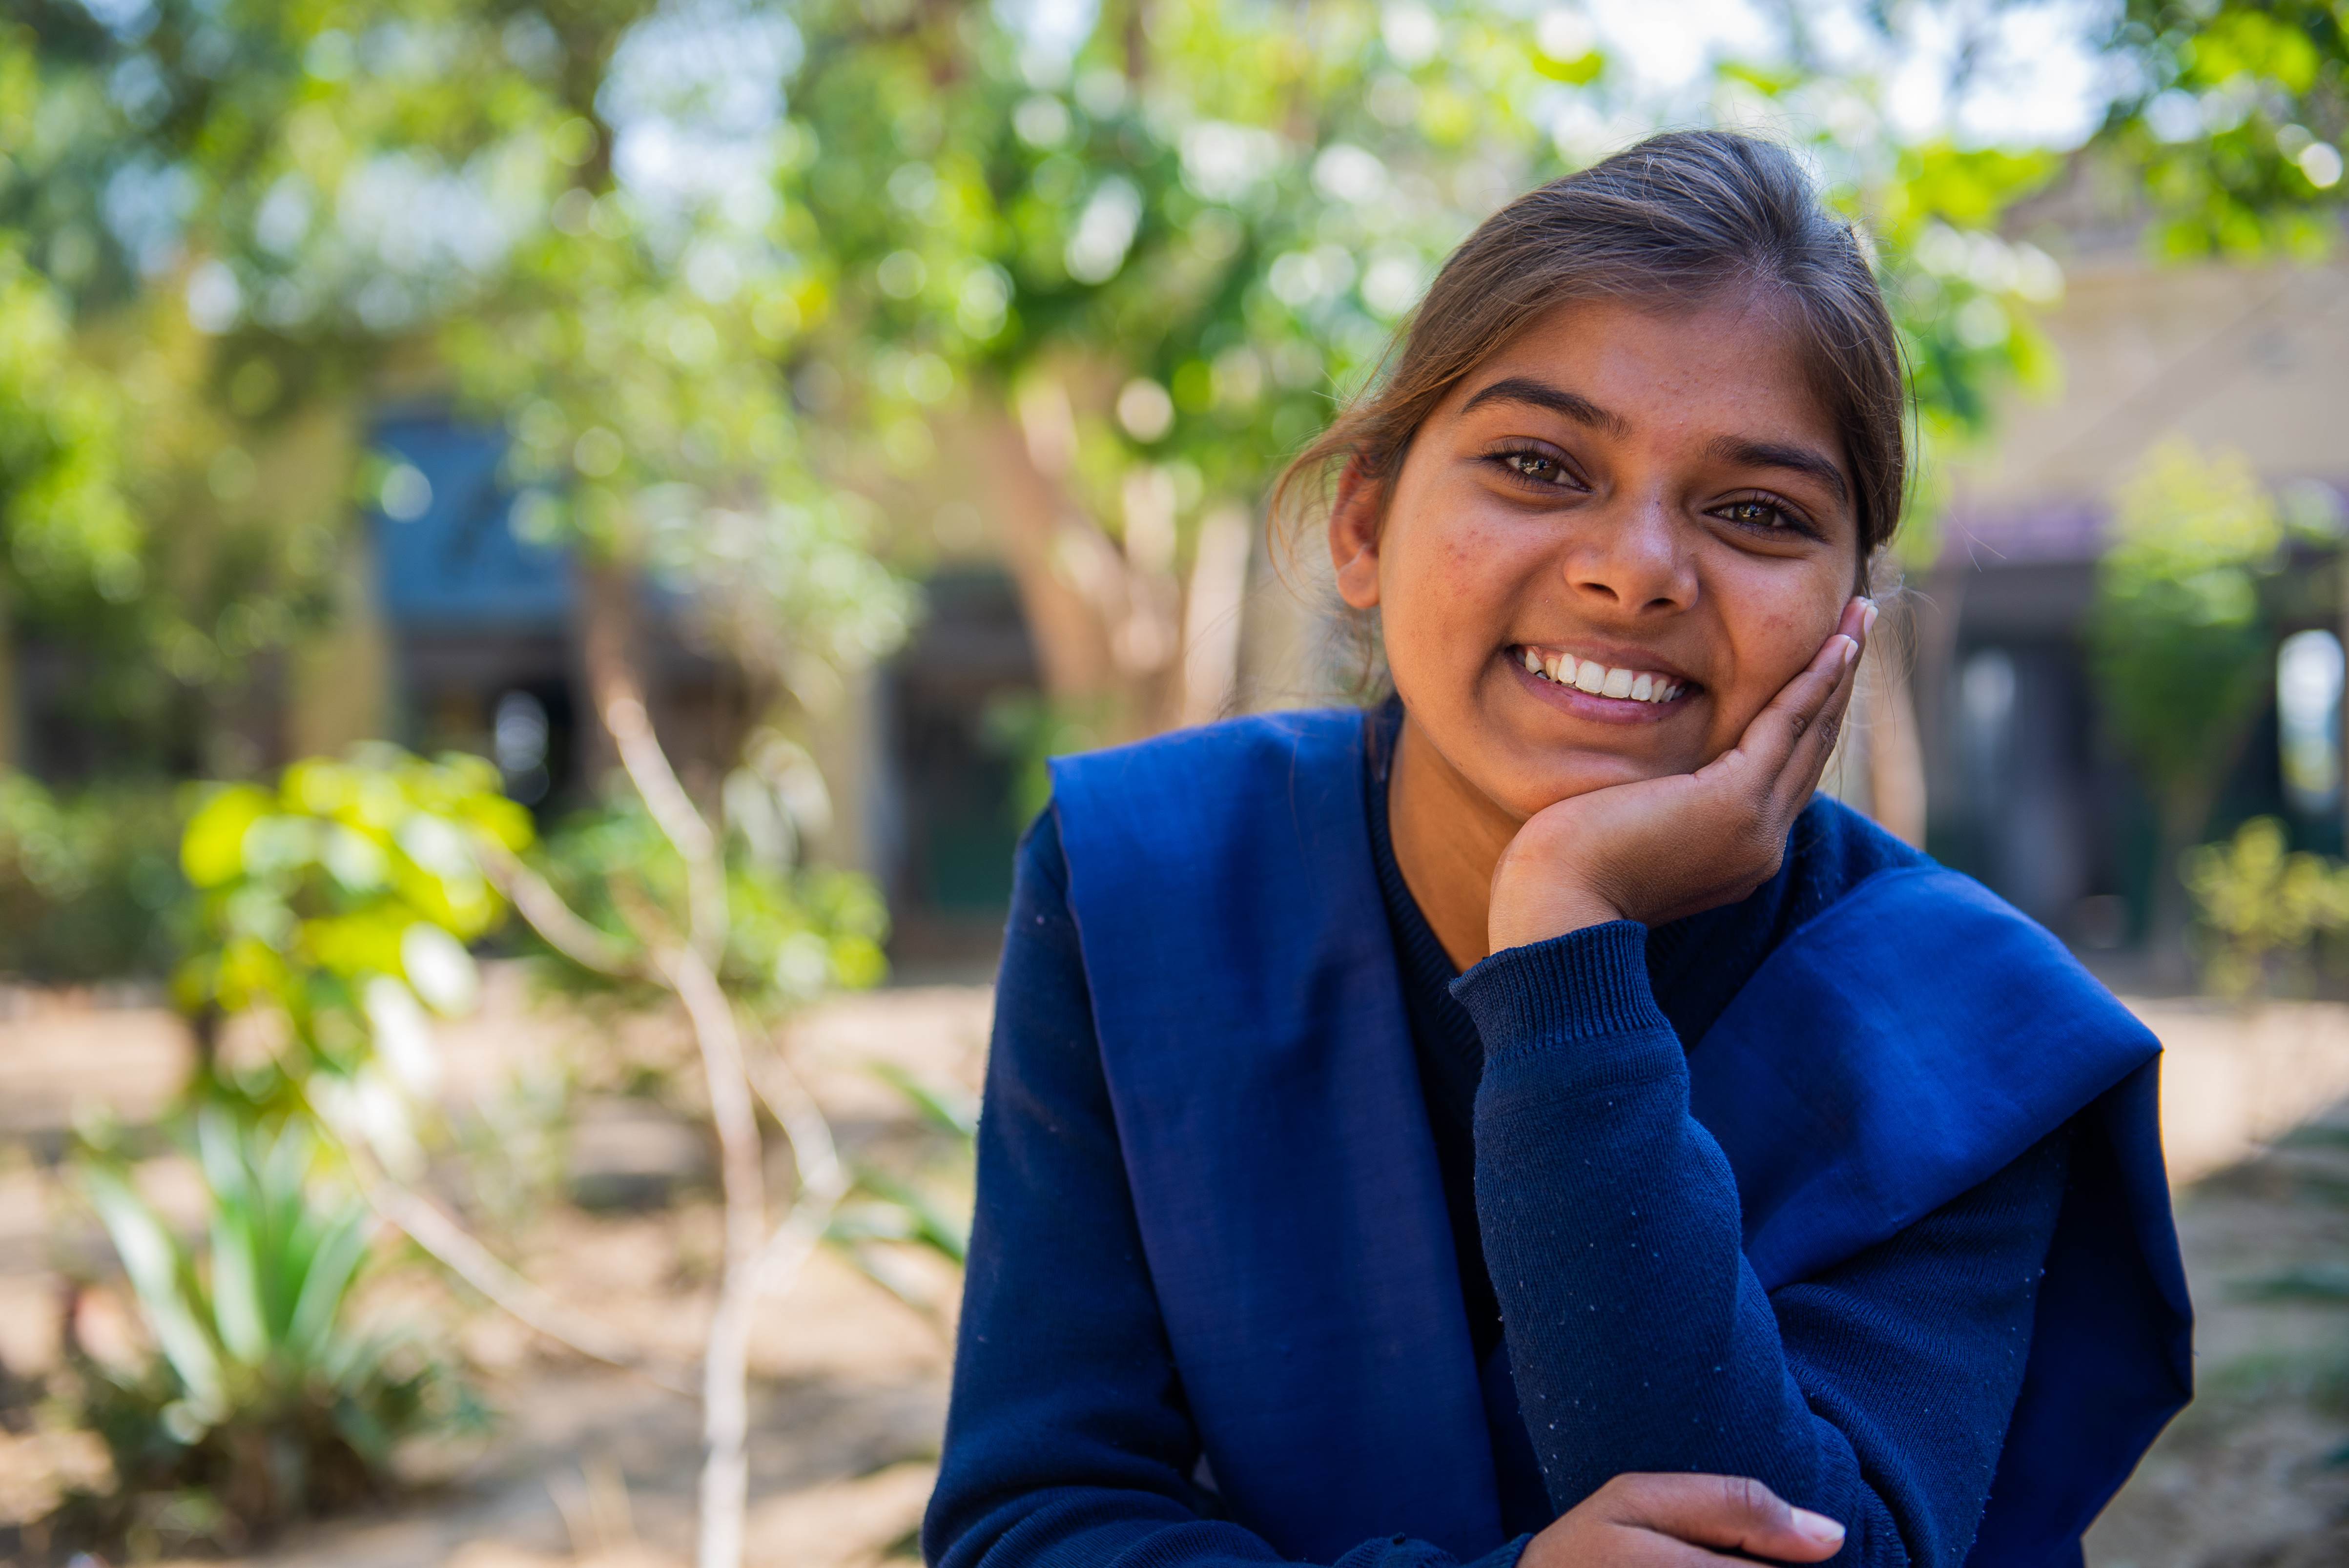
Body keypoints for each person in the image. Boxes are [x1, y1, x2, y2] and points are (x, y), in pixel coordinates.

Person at [923, 130, 2190, 1568]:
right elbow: (1031, 1522)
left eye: (1757, 512)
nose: (1635, 567)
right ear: (1362, 524)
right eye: (1536, 464)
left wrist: (1564, 935)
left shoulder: (1962, 1028)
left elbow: (1799, 1549)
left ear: (1849, 617)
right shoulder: (1148, 881)